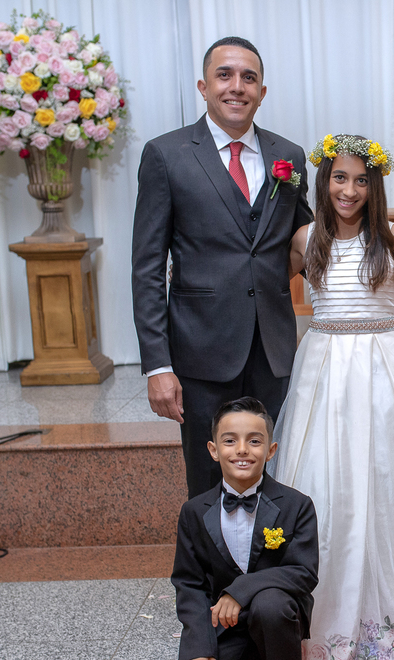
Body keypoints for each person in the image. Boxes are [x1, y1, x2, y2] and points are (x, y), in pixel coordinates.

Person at [269, 134, 394, 660]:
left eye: (362, 180)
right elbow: (265, 289)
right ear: (324, 180)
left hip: (387, 366)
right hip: (325, 369)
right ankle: (327, 620)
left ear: (375, 185)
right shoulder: (305, 238)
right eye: (340, 178)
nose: (350, 190)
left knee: (391, 479)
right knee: (327, 481)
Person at [132, 36, 314, 498]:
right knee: (208, 479)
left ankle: (269, 549)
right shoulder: (166, 154)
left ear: (262, 91)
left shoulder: (289, 157)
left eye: (249, 78)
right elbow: (147, 267)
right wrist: (157, 365)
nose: (237, 86)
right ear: (203, 86)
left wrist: (375, 296)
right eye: (225, 75)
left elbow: (311, 242)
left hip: (273, 350)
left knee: (275, 474)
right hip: (200, 351)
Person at [167, 397, 319, 660]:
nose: (242, 450)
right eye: (230, 440)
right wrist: (198, 646)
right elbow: (189, 583)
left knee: (269, 604)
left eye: (254, 441)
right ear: (212, 449)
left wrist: (243, 588)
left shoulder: (296, 505)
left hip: (278, 617)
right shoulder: (194, 512)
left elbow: (304, 572)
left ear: (271, 449)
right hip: (229, 627)